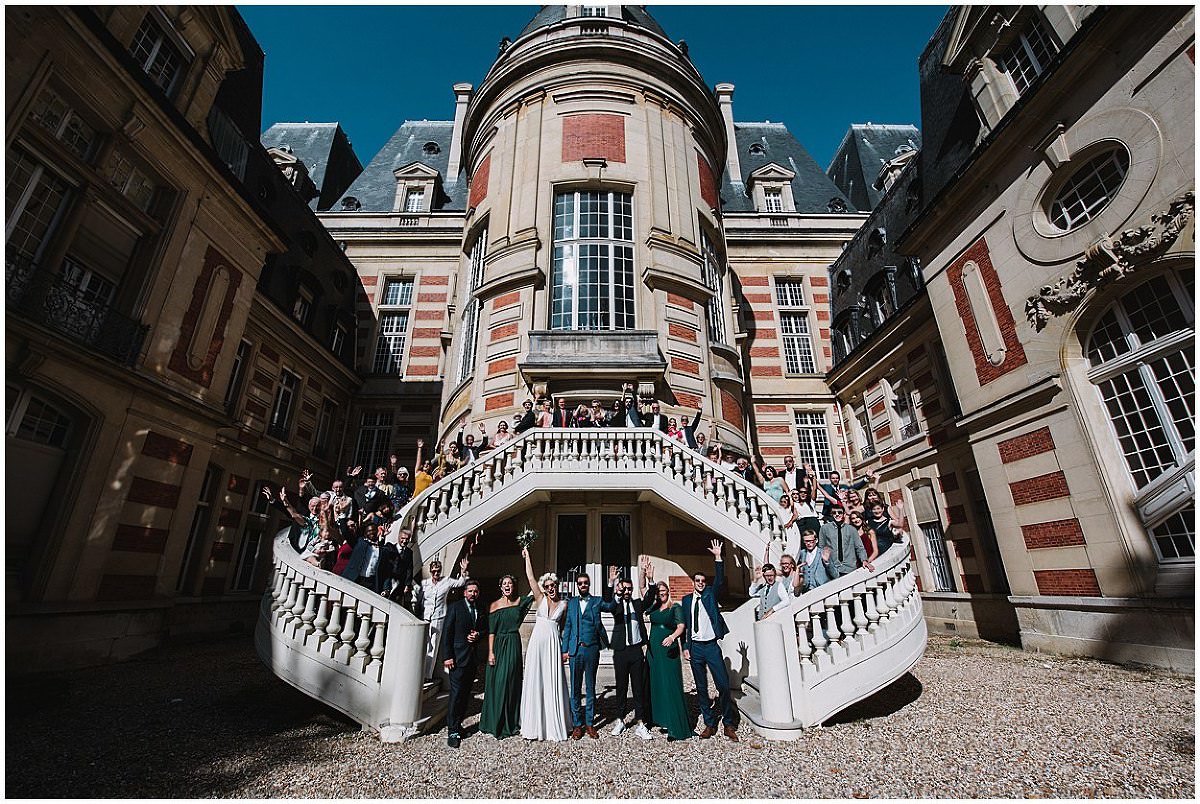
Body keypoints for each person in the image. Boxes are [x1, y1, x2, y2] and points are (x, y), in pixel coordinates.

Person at [681, 539, 737, 740]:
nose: (701, 583)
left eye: (703, 581)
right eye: (698, 581)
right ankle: (709, 724)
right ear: (693, 583)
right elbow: (685, 624)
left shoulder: (710, 595)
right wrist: (685, 646)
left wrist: (718, 557)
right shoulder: (686, 600)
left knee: (722, 685)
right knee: (702, 688)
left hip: (712, 647)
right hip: (695, 648)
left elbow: (720, 580)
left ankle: (729, 724)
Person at [518, 547, 572, 742]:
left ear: (557, 586)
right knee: (535, 679)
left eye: (553, 585)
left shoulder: (564, 604)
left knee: (552, 681)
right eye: (547, 586)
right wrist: (528, 556)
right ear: (544, 588)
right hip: (537, 645)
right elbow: (530, 576)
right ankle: (534, 725)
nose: (551, 588)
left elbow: (564, 629)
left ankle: (553, 724)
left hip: (552, 644)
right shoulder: (539, 598)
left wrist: (565, 650)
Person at [602, 563, 656, 740]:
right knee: (621, 686)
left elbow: (650, 598)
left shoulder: (637, 604)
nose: (627, 591)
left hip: (636, 650)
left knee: (638, 687)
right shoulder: (616, 606)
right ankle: (620, 720)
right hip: (620, 650)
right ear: (620, 590)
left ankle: (640, 723)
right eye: (624, 588)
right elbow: (608, 605)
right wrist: (611, 583)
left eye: (629, 589)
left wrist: (650, 580)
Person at [641, 569, 694, 741]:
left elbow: (681, 626)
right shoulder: (654, 606)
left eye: (664, 592)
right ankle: (661, 719)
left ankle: (676, 726)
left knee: (671, 685)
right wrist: (647, 576)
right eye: (659, 592)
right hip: (653, 651)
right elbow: (643, 590)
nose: (661, 595)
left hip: (668, 650)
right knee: (656, 685)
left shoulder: (675, 607)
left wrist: (672, 637)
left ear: (668, 593)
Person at [479, 573, 534, 739]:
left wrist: (527, 558)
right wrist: (490, 652)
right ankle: (494, 721)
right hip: (498, 646)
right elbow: (491, 632)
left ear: (513, 586)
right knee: (498, 682)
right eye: (505, 583)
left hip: (513, 644)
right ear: (500, 587)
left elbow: (535, 590)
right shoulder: (494, 605)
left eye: (510, 583)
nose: (507, 586)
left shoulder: (520, 602)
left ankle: (509, 721)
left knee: (511, 682)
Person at [560, 571, 608, 739]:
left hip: (592, 649)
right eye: (580, 583)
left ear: (589, 584)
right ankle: (577, 725)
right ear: (577, 585)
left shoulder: (596, 601)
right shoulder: (571, 603)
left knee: (590, 687)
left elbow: (610, 606)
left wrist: (612, 584)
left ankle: (590, 723)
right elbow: (567, 627)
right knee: (575, 688)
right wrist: (564, 650)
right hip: (574, 650)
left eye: (585, 583)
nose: (583, 585)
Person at [442, 580, 486, 748]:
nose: (473, 594)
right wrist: (448, 656)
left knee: (465, 695)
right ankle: (452, 730)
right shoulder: (455, 607)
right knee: (456, 695)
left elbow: (484, 629)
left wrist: (478, 635)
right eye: (470, 591)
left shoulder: (480, 608)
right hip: (457, 659)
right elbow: (447, 633)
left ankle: (458, 725)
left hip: (472, 659)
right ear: (464, 592)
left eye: (475, 591)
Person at [415, 557, 470, 679]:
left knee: (433, 645)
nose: (436, 574)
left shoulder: (446, 581)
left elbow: (460, 583)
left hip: (439, 616)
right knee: (423, 643)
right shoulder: (425, 584)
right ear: (430, 571)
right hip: (425, 616)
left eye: (438, 571)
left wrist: (463, 571)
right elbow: (419, 596)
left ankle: (426, 675)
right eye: (434, 571)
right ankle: (417, 671)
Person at [819, 505, 872, 579]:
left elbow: (859, 547)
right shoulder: (824, 528)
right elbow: (821, 547)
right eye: (834, 513)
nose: (837, 514)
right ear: (831, 514)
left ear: (844, 514)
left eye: (839, 512)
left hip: (849, 568)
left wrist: (864, 560)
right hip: (832, 567)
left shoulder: (852, 529)